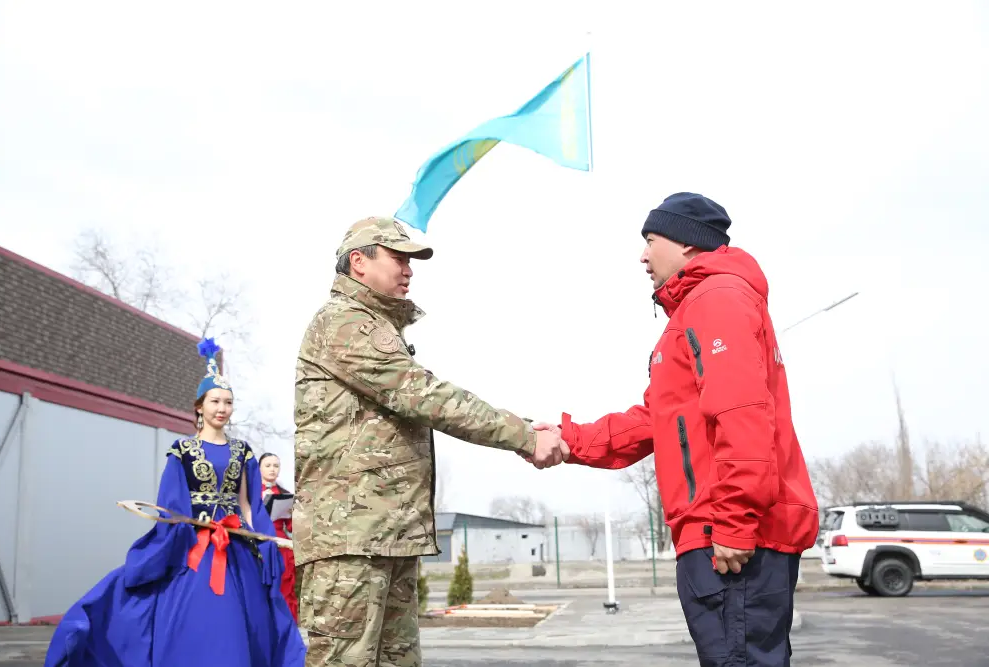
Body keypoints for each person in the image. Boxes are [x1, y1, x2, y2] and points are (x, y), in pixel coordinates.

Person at [533, 193, 819, 667]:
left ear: (687, 243)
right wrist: (570, 439)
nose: (642, 256)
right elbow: (655, 420)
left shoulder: (717, 299)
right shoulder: (696, 309)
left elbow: (742, 414)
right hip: (718, 529)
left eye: (649, 241)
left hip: (729, 537)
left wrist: (733, 520)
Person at [292, 216, 568, 667]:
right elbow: (426, 396)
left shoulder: (376, 327)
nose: (409, 270)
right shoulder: (343, 323)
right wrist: (522, 434)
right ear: (358, 262)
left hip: (387, 534)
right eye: (398, 258)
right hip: (351, 540)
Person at [44, 338, 306, 667]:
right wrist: (174, 540)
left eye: (228, 402)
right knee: (195, 620)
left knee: (250, 622)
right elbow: (171, 507)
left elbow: (248, 504)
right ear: (199, 406)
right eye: (215, 401)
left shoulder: (243, 452)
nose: (222, 408)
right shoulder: (181, 450)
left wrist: (265, 540)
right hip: (195, 547)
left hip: (237, 547)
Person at [259, 452, 298, 619]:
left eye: (276, 466)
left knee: (285, 587)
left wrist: (291, 514)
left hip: (281, 544)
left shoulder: (285, 493)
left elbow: (291, 526)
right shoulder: (250, 494)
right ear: (259, 468)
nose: (272, 469)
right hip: (258, 542)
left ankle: (287, 625)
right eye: (268, 465)